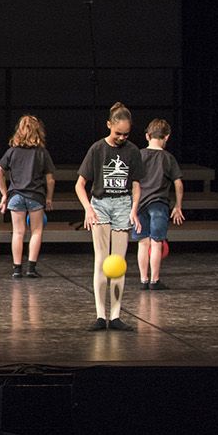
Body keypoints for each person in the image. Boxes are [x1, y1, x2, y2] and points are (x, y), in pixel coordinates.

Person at [74, 102, 144, 331]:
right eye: (118, 133)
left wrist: (134, 209)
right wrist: (88, 209)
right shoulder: (97, 149)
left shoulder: (133, 151)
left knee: (118, 264)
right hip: (101, 204)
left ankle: (115, 316)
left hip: (123, 204)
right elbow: (80, 184)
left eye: (126, 134)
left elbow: (135, 184)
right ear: (109, 125)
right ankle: (100, 315)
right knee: (102, 261)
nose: (122, 137)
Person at [0, 115, 55, 279]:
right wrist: (49, 198)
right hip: (35, 196)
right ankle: (31, 268)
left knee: (18, 233)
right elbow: (50, 179)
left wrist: (4, 194)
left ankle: (16, 269)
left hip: (15, 196)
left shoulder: (12, 152)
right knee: (36, 231)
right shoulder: (42, 153)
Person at [136, 119, 185, 290]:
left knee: (143, 243)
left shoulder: (139, 155)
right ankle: (154, 280)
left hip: (140, 204)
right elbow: (178, 183)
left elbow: (132, 181)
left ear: (147, 136)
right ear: (167, 137)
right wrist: (178, 206)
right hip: (159, 204)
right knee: (157, 243)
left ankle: (143, 279)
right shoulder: (168, 158)